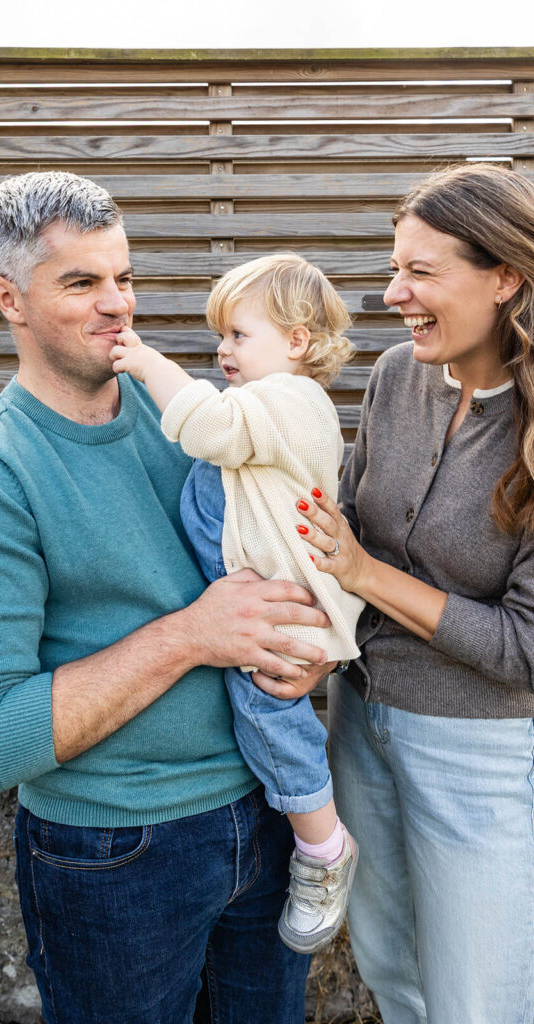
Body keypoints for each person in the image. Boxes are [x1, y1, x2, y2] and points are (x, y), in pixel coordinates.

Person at [0, 171, 336, 1024]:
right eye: (81, 282)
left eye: (123, 277)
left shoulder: (202, 417)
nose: (116, 304)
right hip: (113, 854)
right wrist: (191, 637)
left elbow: (286, 560)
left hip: (266, 817)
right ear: (6, 297)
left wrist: (296, 654)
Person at [290, 164, 534, 1024]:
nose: (392, 292)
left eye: (420, 272)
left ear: (504, 276)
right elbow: (345, 532)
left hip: (477, 748)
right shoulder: (398, 375)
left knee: (473, 1003)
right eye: (394, 266)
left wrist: (366, 575)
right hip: (358, 719)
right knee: (392, 972)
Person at [107, 253, 364, 954]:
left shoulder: (288, 403)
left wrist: (144, 362)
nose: (222, 350)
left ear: (297, 343)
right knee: (264, 715)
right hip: (262, 607)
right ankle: (311, 837)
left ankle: (322, 848)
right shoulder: (268, 406)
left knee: (270, 715)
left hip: (280, 614)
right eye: (219, 336)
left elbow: (205, 427)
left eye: (238, 335)